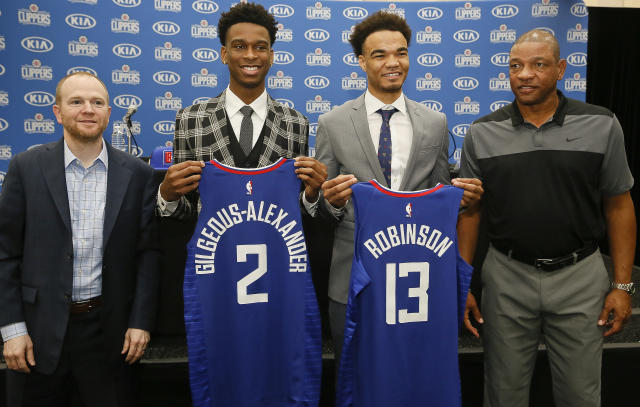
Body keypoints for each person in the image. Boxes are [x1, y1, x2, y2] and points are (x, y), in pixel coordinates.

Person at [459, 29, 636, 407]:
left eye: (538, 65)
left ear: (560, 69)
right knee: (502, 394)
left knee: (580, 395)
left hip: (580, 276)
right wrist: (463, 284)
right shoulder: (481, 132)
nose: (524, 74)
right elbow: (470, 212)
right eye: (516, 66)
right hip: (506, 278)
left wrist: (623, 287)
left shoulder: (602, 124)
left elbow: (620, 205)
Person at [314, 11, 483, 368]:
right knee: (355, 376)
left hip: (416, 278)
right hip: (353, 277)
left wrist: (462, 202)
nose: (393, 62)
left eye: (401, 52)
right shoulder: (333, 123)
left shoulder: (435, 123)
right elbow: (321, 206)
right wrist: (329, 200)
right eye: (379, 54)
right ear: (361, 61)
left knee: (412, 372)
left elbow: (439, 202)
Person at [0, 72, 160, 406]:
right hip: (36, 336)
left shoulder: (138, 174)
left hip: (109, 335)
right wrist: (13, 329)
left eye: (97, 102)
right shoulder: (26, 168)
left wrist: (140, 323)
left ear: (108, 112)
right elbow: (5, 255)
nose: (88, 109)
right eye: (77, 102)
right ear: (58, 112)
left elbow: (148, 255)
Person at [157, 2, 326, 219]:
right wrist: (167, 196)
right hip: (213, 251)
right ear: (224, 54)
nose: (250, 55)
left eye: (260, 47)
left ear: (271, 56)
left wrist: (311, 196)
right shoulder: (191, 119)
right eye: (239, 46)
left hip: (273, 249)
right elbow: (185, 213)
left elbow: (295, 209)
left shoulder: (295, 123)